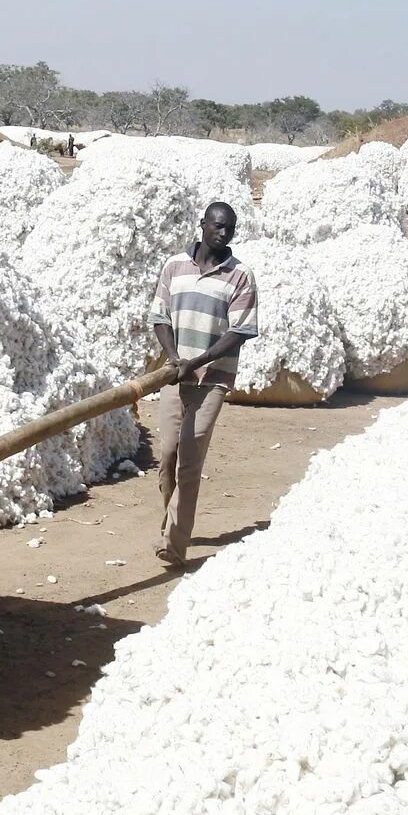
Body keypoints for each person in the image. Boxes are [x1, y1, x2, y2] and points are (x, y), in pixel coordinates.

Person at [148, 202, 258, 568]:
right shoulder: (174, 267)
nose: (223, 233)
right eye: (217, 226)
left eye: (229, 228)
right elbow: (160, 317)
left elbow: (239, 333)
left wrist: (196, 362)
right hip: (174, 375)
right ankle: (170, 521)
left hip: (212, 380)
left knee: (190, 461)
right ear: (202, 226)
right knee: (167, 456)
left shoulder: (240, 276)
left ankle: (174, 543)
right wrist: (174, 357)